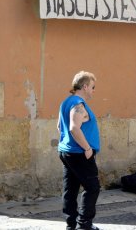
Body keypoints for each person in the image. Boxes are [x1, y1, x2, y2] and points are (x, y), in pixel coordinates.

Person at [57, 71, 101, 230]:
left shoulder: (66, 102)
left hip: (67, 152)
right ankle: (84, 225)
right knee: (92, 188)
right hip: (79, 153)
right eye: (93, 87)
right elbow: (74, 128)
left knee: (71, 189)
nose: (94, 90)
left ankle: (71, 224)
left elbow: (59, 127)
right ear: (85, 86)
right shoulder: (78, 105)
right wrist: (87, 148)